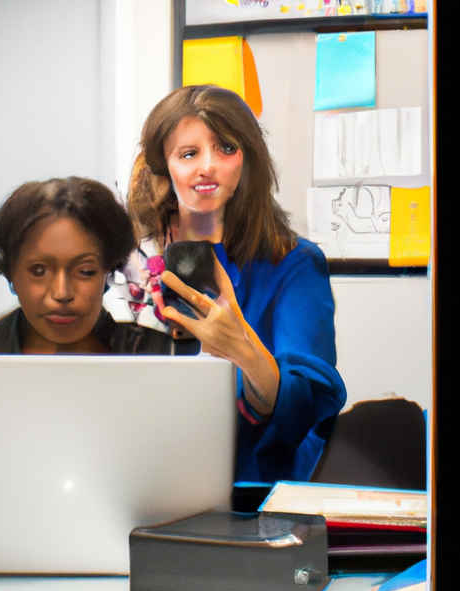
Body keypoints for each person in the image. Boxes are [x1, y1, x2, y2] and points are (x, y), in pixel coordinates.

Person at [122, 84, 347, 484]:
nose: (207, 166)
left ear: (249, 160)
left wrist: (246, 351)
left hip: (248, 491)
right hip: (139, 474)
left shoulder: (292, 262)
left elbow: (306, 407)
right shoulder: (129, 261)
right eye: (188, 153)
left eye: (226, 149)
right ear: (163, 167)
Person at [0, 177, 180, 355]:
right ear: (9, 272)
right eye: (39, 271)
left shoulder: (154, 353)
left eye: (84, 272)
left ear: (108, 271)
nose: (62, 293)